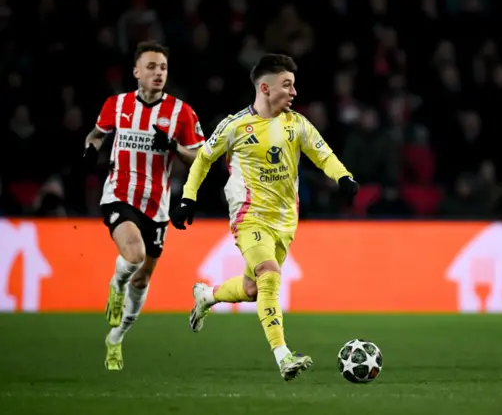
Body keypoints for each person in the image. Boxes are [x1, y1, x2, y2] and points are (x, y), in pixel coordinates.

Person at [169, 53, 359, 381]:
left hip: (286, 221)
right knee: (269, 275)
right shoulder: (235, 125)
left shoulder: (296, 123)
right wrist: (187, 198)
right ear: (265, 88)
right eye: (288, 85)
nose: (294, 92)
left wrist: (343, 177)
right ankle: (283, 355)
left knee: (253, 288)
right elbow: (202, 160)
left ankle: (207, 295)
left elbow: (322, 152)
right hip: (249, 216)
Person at [83, 40, 205, 371]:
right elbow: (95, 134)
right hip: (120, 194)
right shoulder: (117, 105)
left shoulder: (181, 112)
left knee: (143, 278)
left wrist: (175, 147)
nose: (158, 73)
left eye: (162, 68)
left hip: (157, 206)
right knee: (133, 256)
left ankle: (116, 338)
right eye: (151, 67)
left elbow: (200, 156)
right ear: (136, 71)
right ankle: (115, 284)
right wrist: (92, 150)